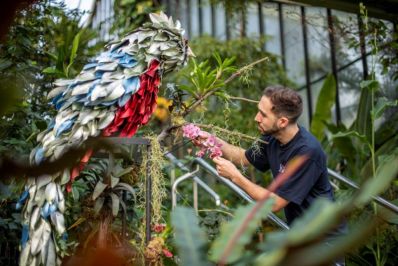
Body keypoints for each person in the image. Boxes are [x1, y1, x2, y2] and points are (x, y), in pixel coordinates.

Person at [194, 86, 346, 264]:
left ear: (282, 121)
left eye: (263, 114)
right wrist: (213, 141)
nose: (256, 118)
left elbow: (275, 203)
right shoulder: (271, 138)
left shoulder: (306, 152)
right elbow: (244, 158)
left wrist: (235, 177)